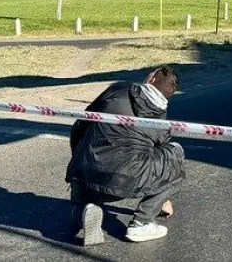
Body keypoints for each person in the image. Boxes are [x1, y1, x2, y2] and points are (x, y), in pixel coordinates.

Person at [66, 66, 185, 246]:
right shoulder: (162, 121)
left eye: (151, 72)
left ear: (152, 80)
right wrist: (162, 197)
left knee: (79, 201)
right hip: (124, 183)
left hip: (85, 175)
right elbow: (163, 170)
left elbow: (80, 124)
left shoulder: (117, 89)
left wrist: (78, 164)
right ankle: (142, 222)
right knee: (175, 153)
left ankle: (84, 211)